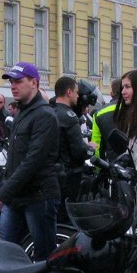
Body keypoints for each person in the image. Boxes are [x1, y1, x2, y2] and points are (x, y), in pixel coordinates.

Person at [0, 62, 60, 259]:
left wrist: (4, 192)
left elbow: (33, 161)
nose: (13, 86)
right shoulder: (22, 111)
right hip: (16, 196)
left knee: (44, 255)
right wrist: (4, 186)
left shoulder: (44, 115)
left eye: (18, 81)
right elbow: (14, 157)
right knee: (5, 251)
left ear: (34, 83)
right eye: (11, 82)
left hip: (39, 196)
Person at [52, 76, 90, 207]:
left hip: (50, 173)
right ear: (69, 92)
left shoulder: (49, 111)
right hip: (68, 175)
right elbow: (78, 151)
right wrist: (89, 149)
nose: (78, 96)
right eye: (76, 92)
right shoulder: (69, 117)